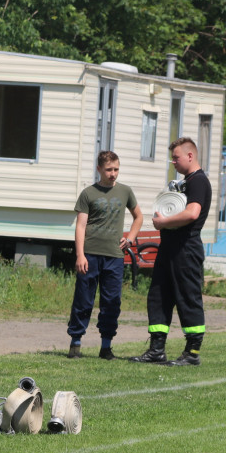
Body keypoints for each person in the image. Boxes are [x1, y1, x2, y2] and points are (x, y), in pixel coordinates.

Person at [132, 137, 212, 366]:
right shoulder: (185, 181)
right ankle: (156, 350)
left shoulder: (198, 181)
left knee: (188, 298)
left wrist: (164, 222)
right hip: (169, 249)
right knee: (159, 297)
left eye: (176, 158)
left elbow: (192, 213)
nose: (173, 162)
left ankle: (192, 353)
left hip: (186, 249)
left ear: (190, 156)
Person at [67, 151, 143, 359]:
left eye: (116, 169)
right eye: (109, 169)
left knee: (111, 301)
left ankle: (106, 347)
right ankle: (75, 343)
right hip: (90, 254)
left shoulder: (125, 191)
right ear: (99, 169)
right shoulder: (88, 193)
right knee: (83, 300)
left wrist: (130, 239)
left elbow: (138, 217)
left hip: (114, 256)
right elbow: (81, 226)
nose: (113, 174)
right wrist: (80, 255)